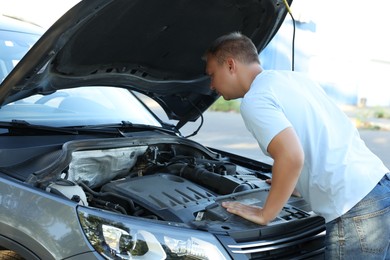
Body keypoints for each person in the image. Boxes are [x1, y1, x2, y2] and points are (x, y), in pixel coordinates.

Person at [203, 31, 390, 259]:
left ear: (231, 65)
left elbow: (291, 156)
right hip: (378, 189)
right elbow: (322, 134)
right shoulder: (294, 79)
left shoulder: (255, 99)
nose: (211, 85)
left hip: (353, 207)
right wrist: (297, 182)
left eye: (212, 74)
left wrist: (266, 213)